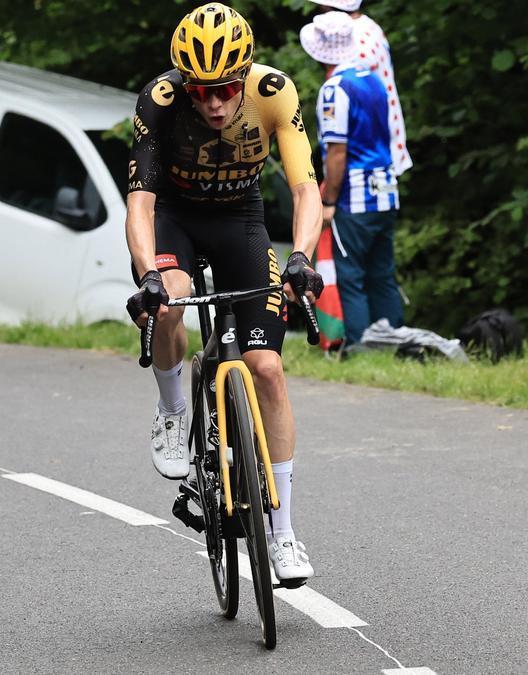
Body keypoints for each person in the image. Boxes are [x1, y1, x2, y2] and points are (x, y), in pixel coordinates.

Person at [123, 3, 324, 581]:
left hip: (241, 219)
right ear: (186, 84)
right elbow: (140, 204)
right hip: (176, 221)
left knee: (266, 368)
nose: (214, 103)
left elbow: (305, 188)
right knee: (170, 307)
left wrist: (302, 257)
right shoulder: (158, 102)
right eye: (202, 90)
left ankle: (284, 536)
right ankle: (171, 410)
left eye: (225, 90)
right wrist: (148, 276)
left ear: (245, 77)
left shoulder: (275, 93)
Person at [302, 12, 403, 349]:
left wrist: (328, 200)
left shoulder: (334, 89)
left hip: (355, 195)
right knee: (383, 274)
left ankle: (361, 346)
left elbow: (337, 152)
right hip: (386, 190)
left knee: (352, 276)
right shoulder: (373, 78)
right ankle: (394, 340)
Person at [308, 0, 410, 176]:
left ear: (326, 7)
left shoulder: (347, 41)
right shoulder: (368, 25)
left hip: (366, 155)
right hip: (382, 143)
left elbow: (349, 108)